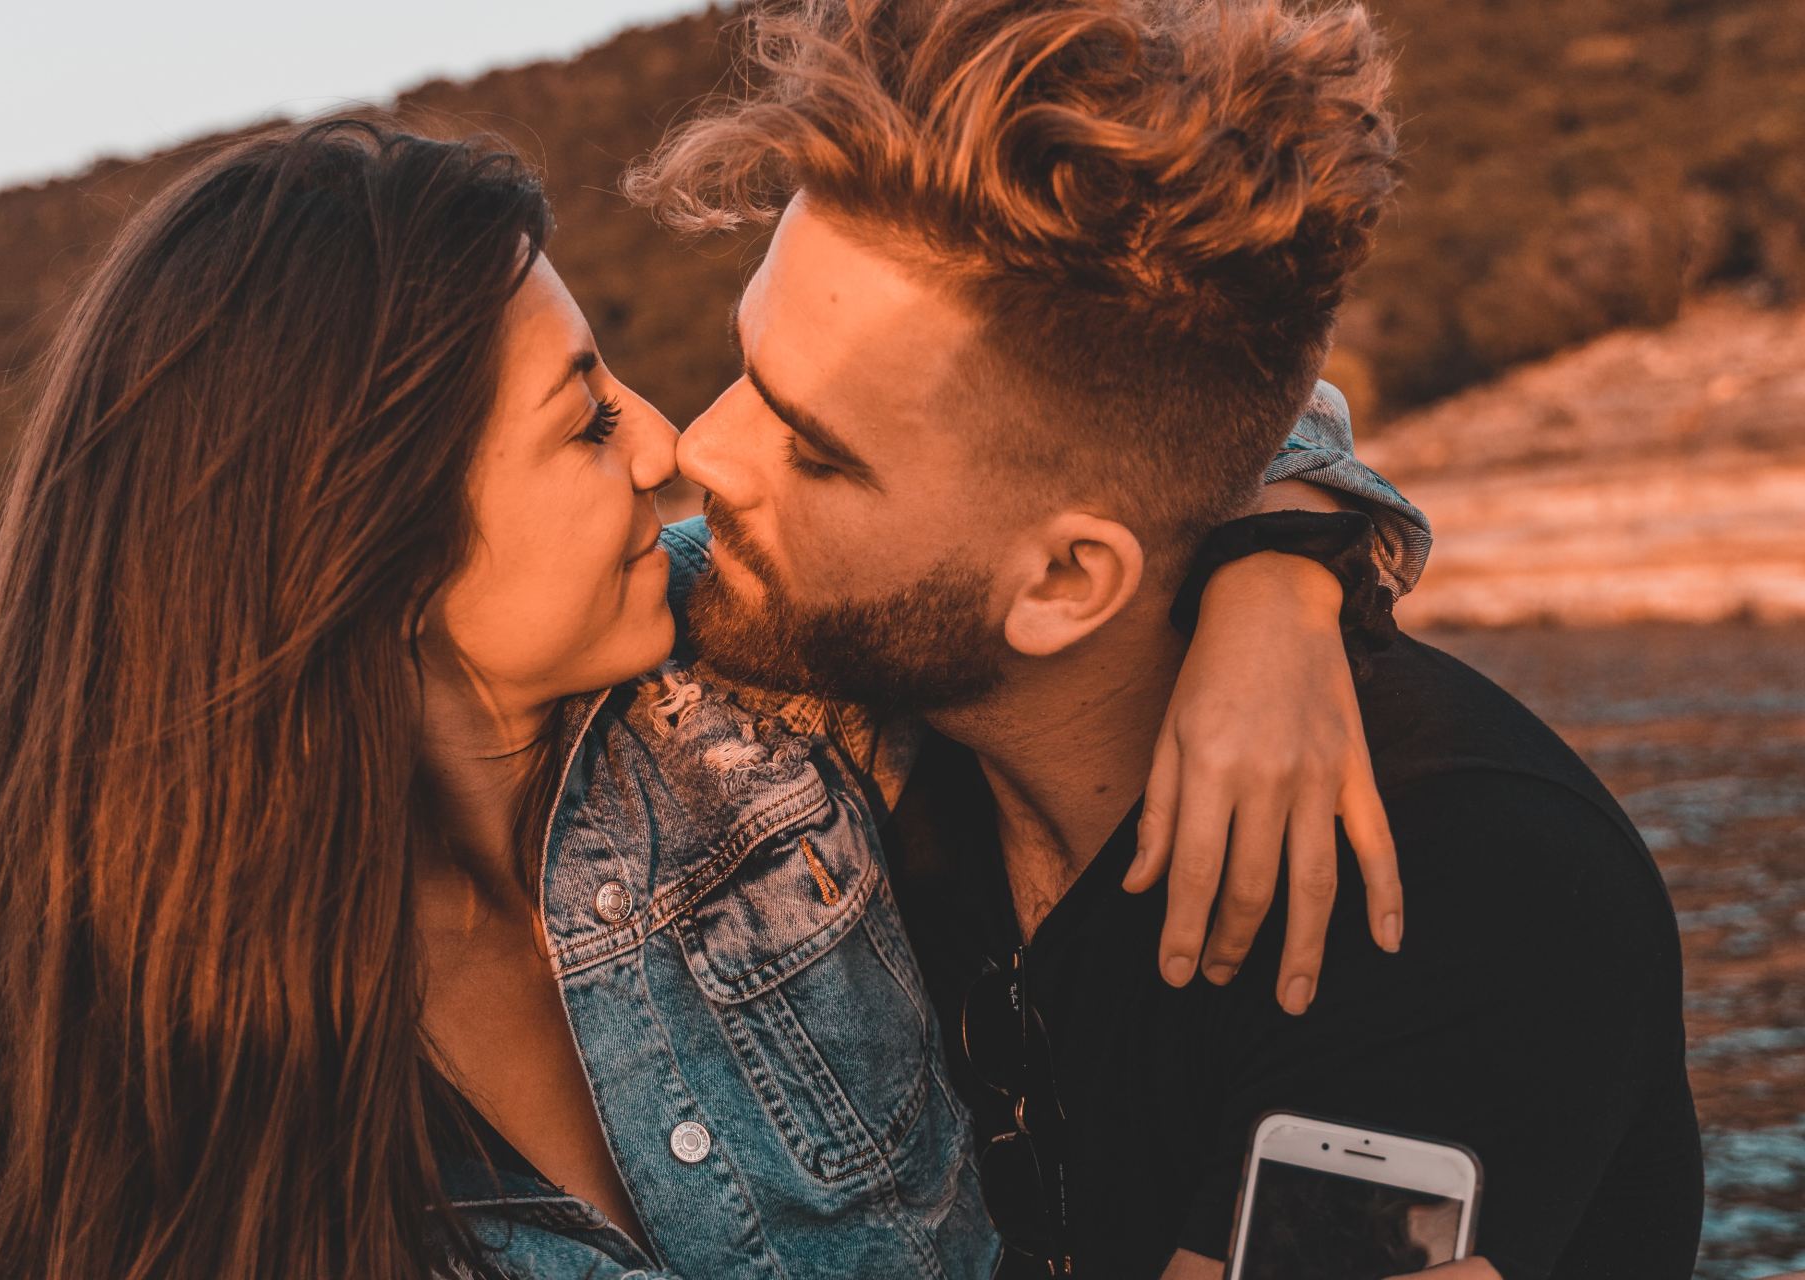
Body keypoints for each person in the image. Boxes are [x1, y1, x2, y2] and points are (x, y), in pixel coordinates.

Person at [0, 115, 1434, 1280]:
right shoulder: (140, 1095)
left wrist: (1276, 588)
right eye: (581, 423)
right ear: (368, 549)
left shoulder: (732, 668)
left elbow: (1132, 404)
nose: (667, 444)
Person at [627, 0, 1705, 1277]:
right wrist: (1291, 543)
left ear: (1069, 582)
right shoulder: (854, 736)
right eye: (746, 365)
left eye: (813, 447)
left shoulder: (1454, 885)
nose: (701, 449)